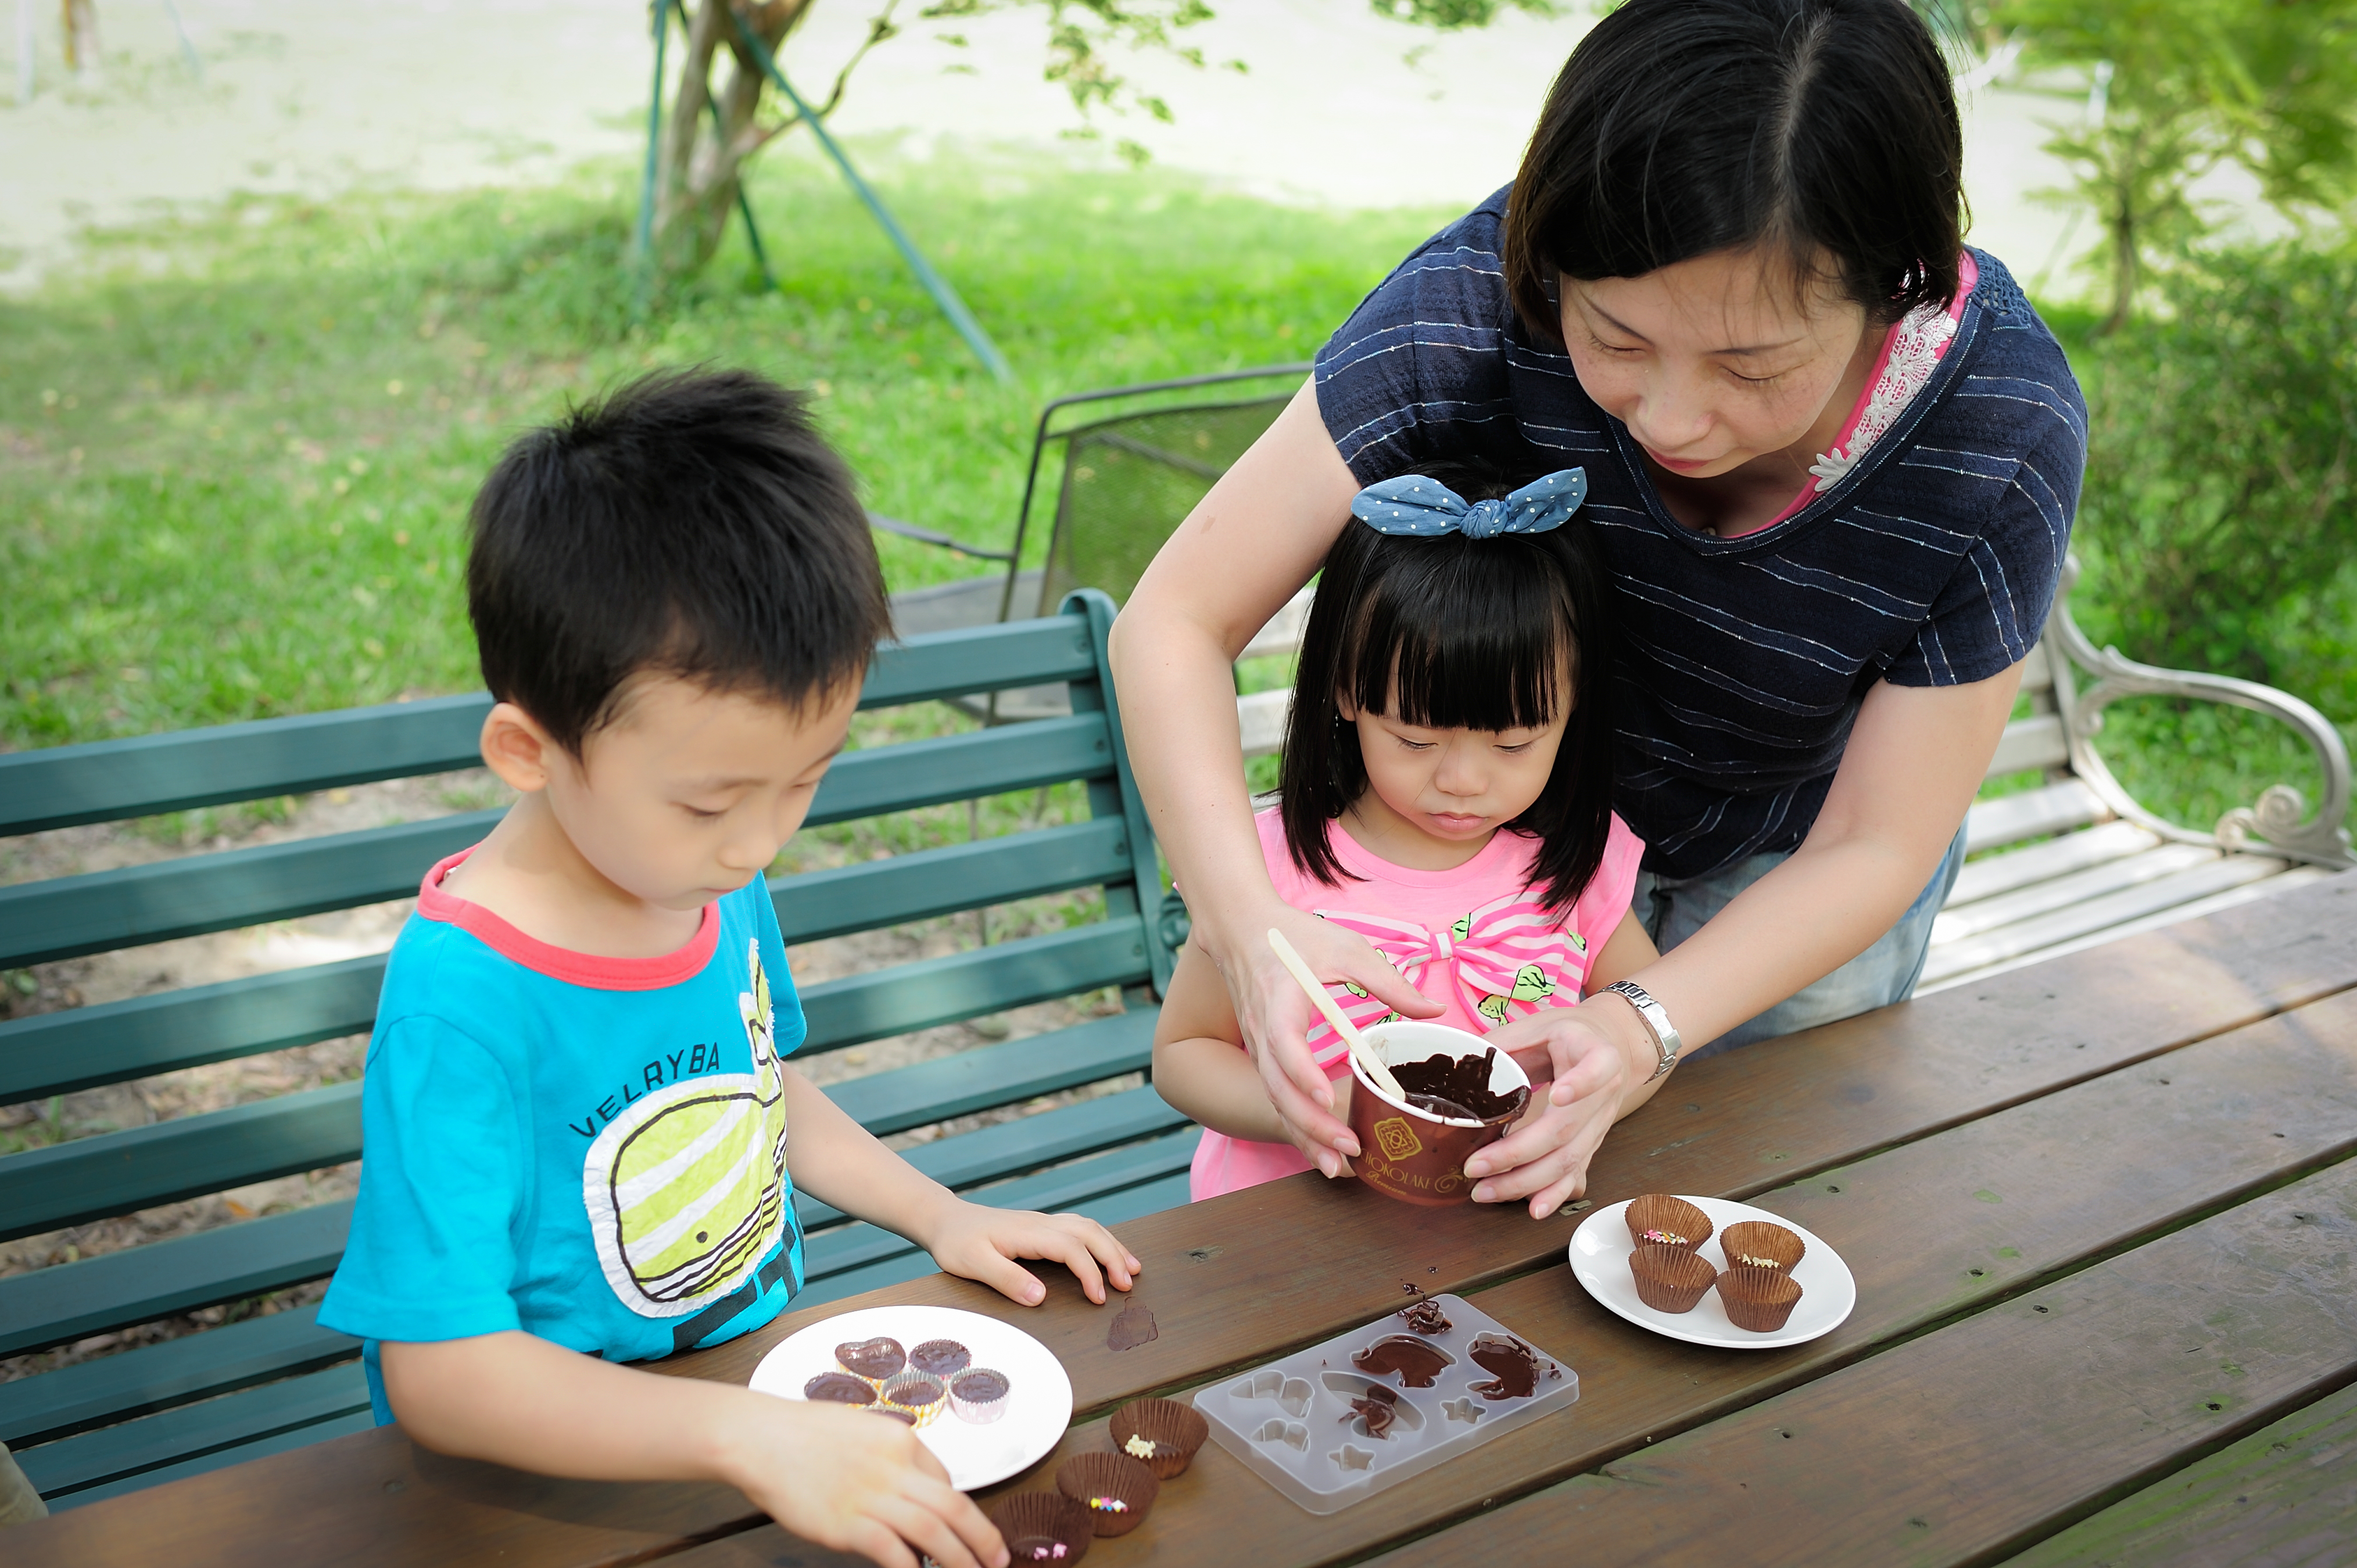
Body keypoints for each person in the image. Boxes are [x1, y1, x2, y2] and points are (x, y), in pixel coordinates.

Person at [1109, 0, 2085, 1216]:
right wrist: (1250, 929)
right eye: (1613, 337)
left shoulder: (1998, 431)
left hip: (1786, 868)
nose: (1668, 421)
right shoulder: (1480, 297)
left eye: (1752, 366)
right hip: (1505, 850)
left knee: (1740, 1214)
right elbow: (1176, 621)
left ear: (1898, 292)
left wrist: (1646, 1022)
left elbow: (1876, 843)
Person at [318, 369, 1141, 1568]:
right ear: (527, 751)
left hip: (746, 1413)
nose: (760, 843)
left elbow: (761, 1088)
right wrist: (743, 1436)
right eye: (711, 798)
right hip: (542, 1487)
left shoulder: (701, 876)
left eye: (804, 782)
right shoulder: (467, 1001)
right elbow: (444, 1373)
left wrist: (940, 1217)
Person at [1154, 462, 1661, 1211]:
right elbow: (1184, 1054)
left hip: (1495, 1235)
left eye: (1515, 744)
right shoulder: (1259, 869)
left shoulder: (1575, 859)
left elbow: (1648, 1019)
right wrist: (1310, 1109)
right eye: (1417, 741)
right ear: (1347, 691)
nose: (1462, 779)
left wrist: (1580, 1108)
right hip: (1289, 1235)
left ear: (1573, 709)